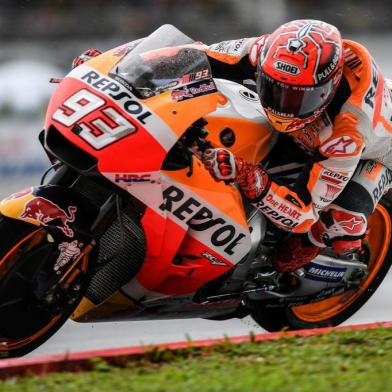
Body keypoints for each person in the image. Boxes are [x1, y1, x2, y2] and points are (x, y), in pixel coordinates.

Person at [72, 20, 392, 273]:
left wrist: (251, 179)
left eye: (297, 97)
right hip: (310, 131)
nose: (282, 105)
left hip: (376, 155)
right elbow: (196, 54)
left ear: (327, 89)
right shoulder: (264, 51)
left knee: (334, 225)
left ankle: (322, 258)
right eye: (275, 89)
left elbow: (303, 211)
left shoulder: (350, 128)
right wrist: (117, 70)